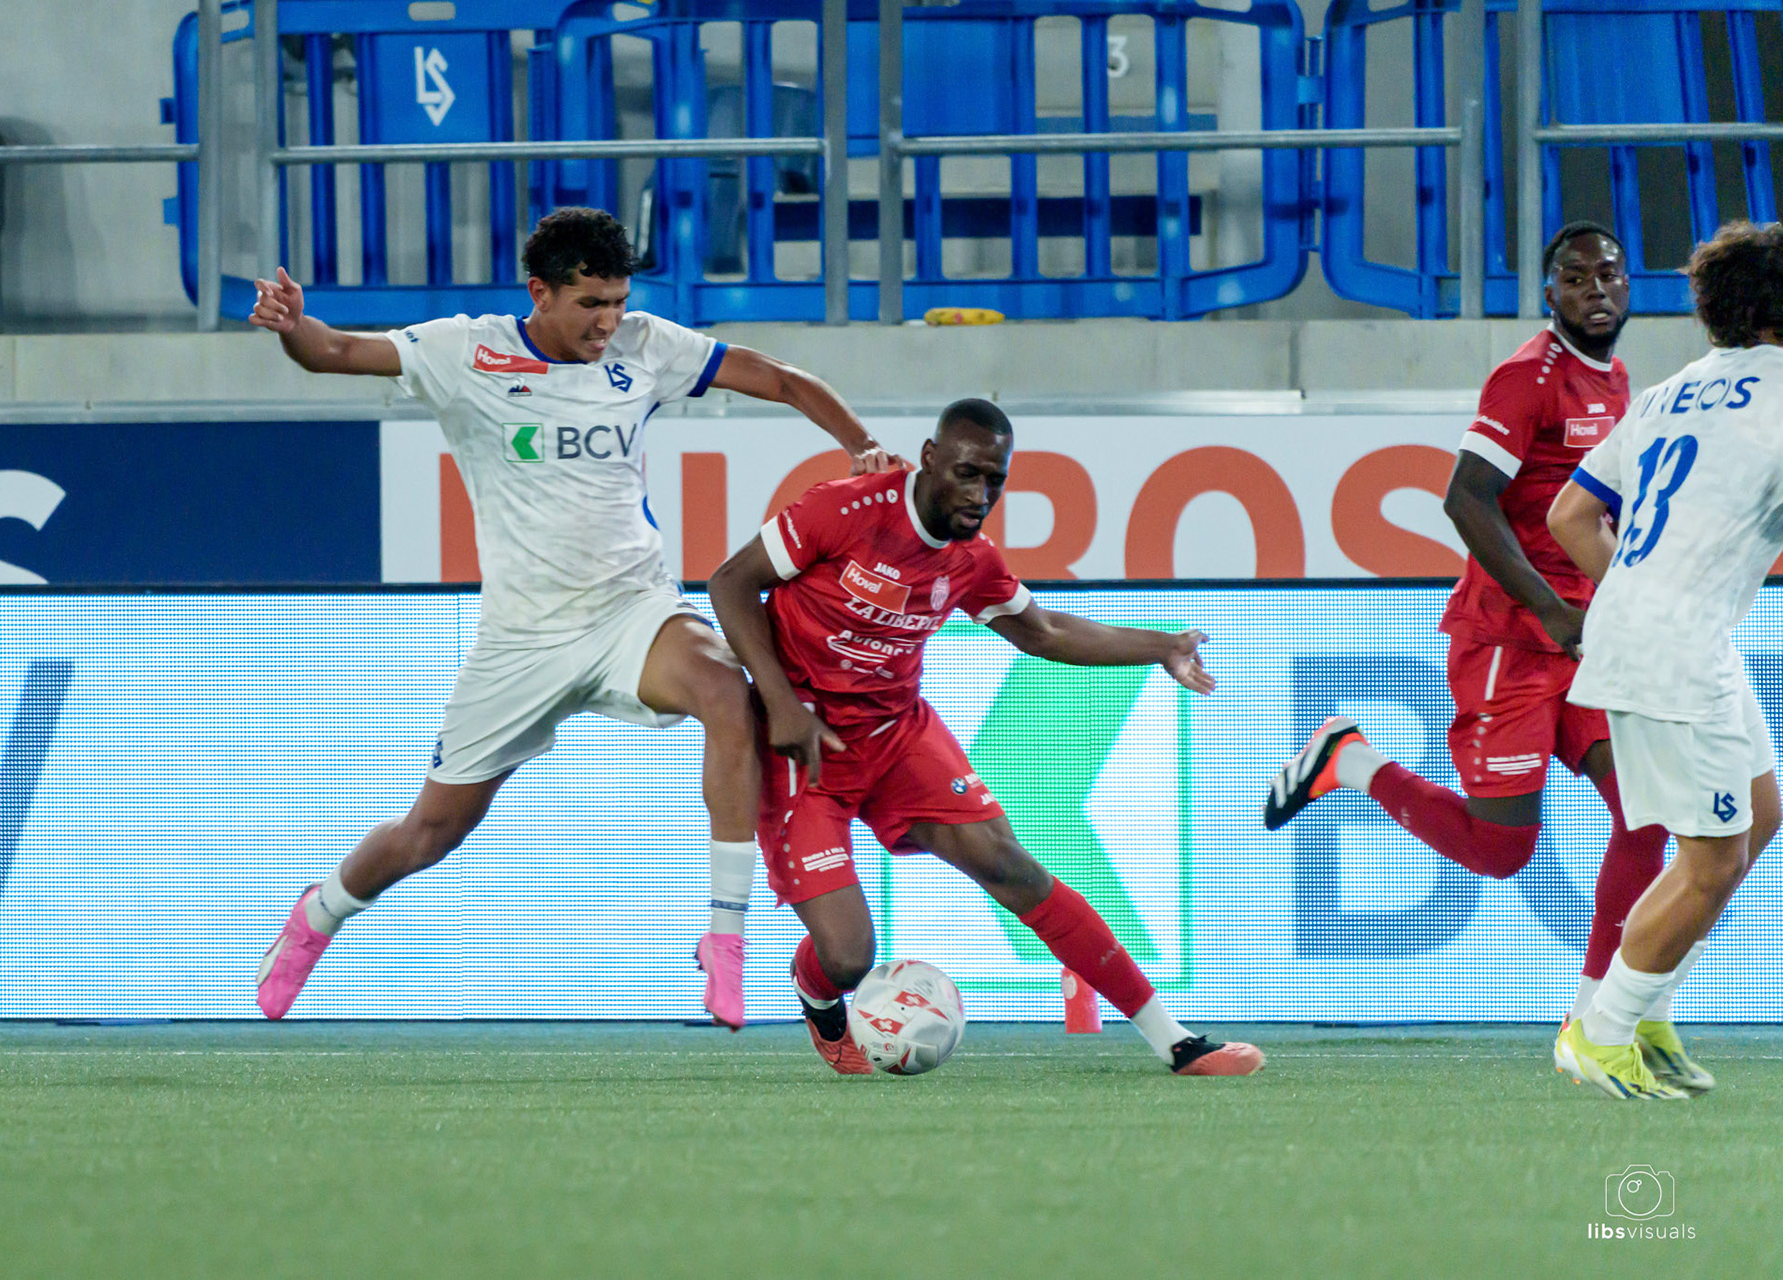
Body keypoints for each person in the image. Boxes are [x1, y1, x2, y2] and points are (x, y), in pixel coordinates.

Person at [247, 207, 903, 1026]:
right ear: (540, 292)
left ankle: (725, 938)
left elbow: (777, 377)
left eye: (619, 300)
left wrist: (861, 444)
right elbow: (334, 352)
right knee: (431, 832)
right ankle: (319, 917)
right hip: (523, 640)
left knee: (728, 694)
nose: (609, 321)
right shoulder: (466, 351)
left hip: (634, 611)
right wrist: (293, 325)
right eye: (591, 303)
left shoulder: (646, 346)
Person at [707, 398, 1263, 1077]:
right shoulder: (844, 509)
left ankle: (1176, 1041)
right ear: (930, 457)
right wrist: (781, 703)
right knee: (850, 957)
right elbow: (732, 582)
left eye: (994, 480)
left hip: (895, 733)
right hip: (803, 740)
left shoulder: (971, 559)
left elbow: (1045, 633)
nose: (980, 494)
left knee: (1012, 867)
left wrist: (1162, 647)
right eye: (967, 473)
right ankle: (820, 999)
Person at [1263, 224, 1684, 1070]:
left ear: (1630, 287)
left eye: (1610, 273)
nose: (1595, 289)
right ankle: (1349, 760)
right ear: (1549, 293)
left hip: (1584, 639)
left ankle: (1595, 1021)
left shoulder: (1618, 380)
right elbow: (1466, 498)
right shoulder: (1525, 378)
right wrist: (1547, 608)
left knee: (1650, 815)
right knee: (1502, 852)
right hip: (1509, 641)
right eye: (1574, 277)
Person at [1546, 221, 1783, 1099]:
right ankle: (1599, 1033)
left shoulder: (1666, 393)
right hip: (1676, 647)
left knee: (1758, 816)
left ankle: (1643, 1013)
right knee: (1712, 860)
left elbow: (1571, 517)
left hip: (1660, 632)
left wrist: (1641, 588)